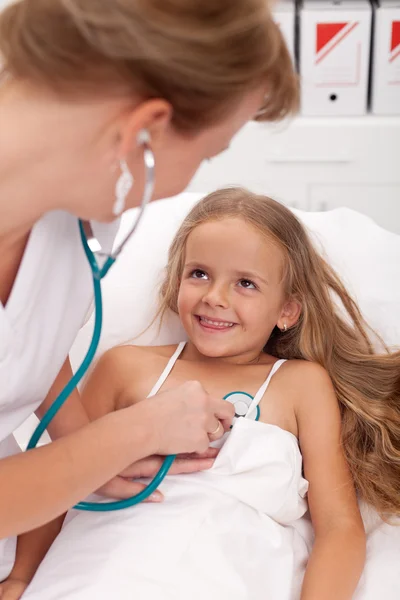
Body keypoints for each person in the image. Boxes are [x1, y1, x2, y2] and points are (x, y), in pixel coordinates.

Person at [0, 0, 299, 592]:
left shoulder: (81, 207)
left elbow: (22, 342)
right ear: (145, 130)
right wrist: (125, 436)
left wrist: (83, 447)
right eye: (208, 154)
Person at [15, 188, 400, 600]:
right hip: (94, 578)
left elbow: (340, 528)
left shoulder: (300, 384)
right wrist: (22, 578)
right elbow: (59, 478)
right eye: (199, 273)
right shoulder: (125, 367)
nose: (215, 297)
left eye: (246, 283)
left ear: (287, 310)